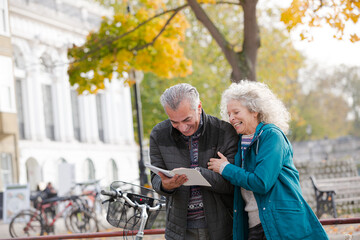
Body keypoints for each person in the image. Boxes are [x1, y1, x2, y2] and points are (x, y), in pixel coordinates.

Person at [208, 80, 329, 240]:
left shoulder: (272, 136)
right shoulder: (239, 141)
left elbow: (261, 182)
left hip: (281, 223)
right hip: (253, 224)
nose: (231, 118)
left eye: (236, 112)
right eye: (229, 114)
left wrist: (225, 168)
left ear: (254, 111)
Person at [150, 83, 239, 240]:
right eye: (174, 122)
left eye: (187, 119)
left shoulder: (224, 132)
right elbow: (156, 179)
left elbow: (233, 184)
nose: (182, 127)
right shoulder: (159, 134)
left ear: (198, 107)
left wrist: (199, 174)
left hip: (221, 228)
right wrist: (165, 185)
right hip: (180, 230)